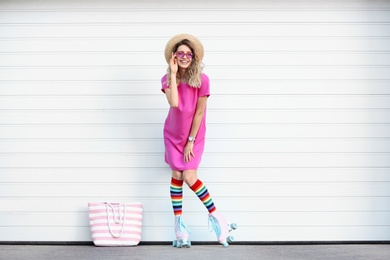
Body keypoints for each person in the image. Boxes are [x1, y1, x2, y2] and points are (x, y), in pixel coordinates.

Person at [161, 34, 236, 248]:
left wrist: (191, 141)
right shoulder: (166, 78)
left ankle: (217, 217)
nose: (184, 57)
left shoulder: (203, 80)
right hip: (172, 134)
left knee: (189, 176)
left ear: (193, 57)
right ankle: (180, 228)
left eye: (188, 54)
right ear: (174, 56)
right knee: (177, 174)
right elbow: (174, 102)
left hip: (193, 135)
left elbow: (199, 112)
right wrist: (174, 74)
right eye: (180, 53)